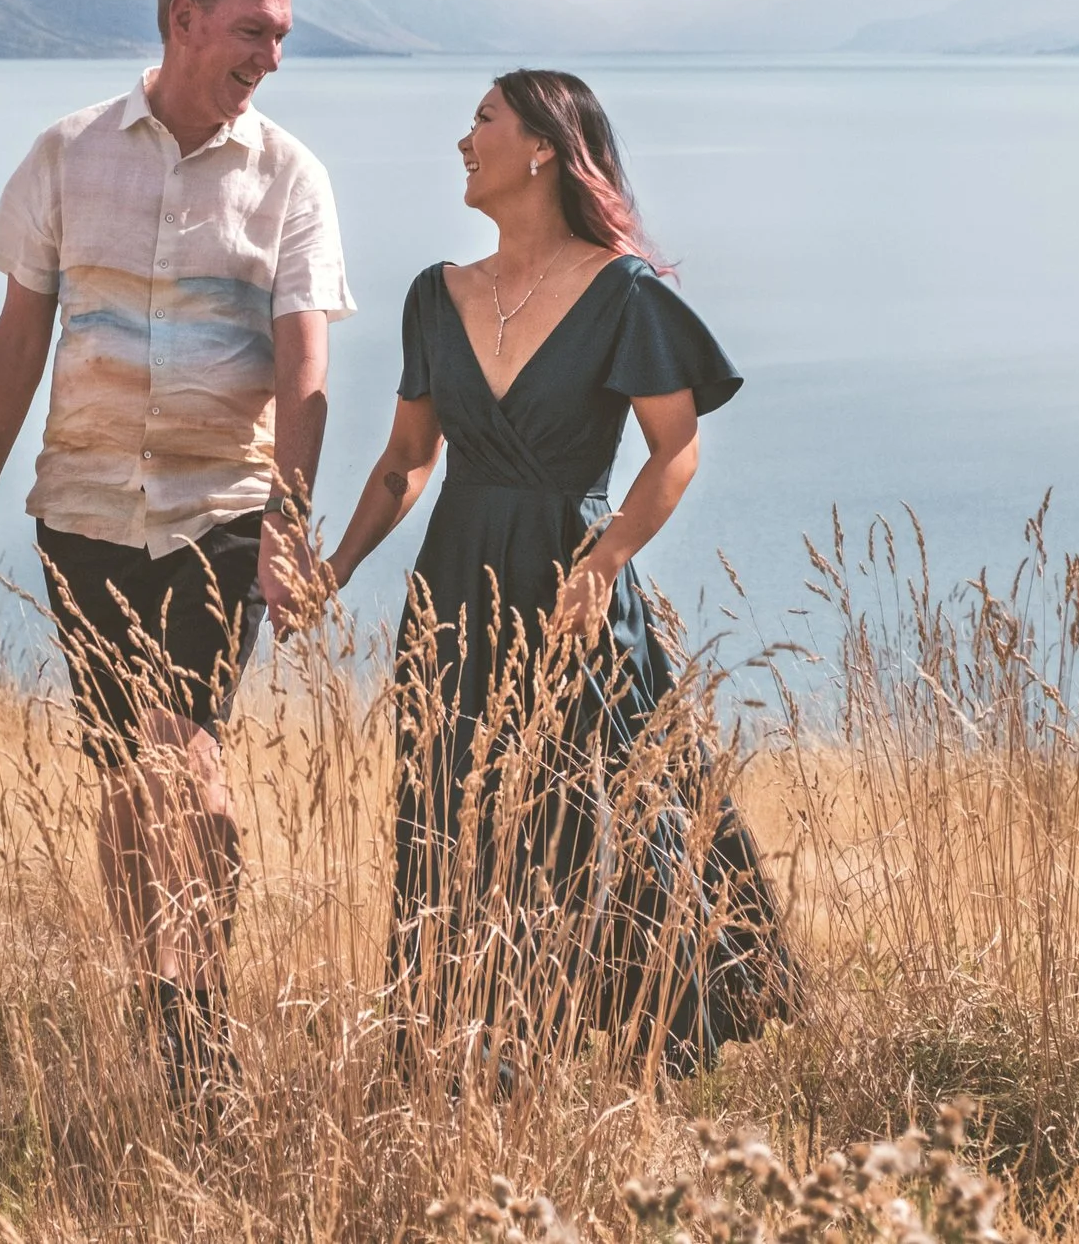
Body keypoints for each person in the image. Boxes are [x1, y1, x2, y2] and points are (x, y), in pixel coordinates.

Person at [0, 0, 351, 1112]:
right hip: (80, 513)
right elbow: (17, 345)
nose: (270, 55)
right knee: (128, 771)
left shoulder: (289, 176)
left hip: (220, 512)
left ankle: (199, 996)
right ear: (182, 19)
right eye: (253, 29)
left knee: (187, 756)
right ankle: (157, 997)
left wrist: (290, 522)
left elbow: (303, 363)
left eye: (279, 33)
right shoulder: (66, 154)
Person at [313, 68, 792, 1081]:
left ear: (541, 147)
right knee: (449, 810)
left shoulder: (625, 293)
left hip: (571, 590)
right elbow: (405, 461)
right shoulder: (435, 295)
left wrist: (610, 552)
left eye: (480, 119)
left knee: (597, 809)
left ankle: (655, 1023)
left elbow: (674, 450)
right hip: (453, 589)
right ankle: (464, 1043)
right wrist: (335, 565)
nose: (461, 139)